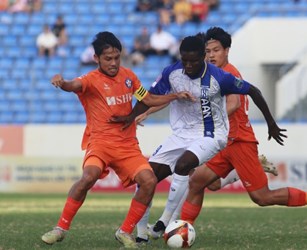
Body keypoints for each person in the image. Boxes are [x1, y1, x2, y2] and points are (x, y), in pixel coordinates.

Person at [109, 35, 287, 242]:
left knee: (183, 165)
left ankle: (163, 223)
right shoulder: (172, 73)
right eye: (185, 60)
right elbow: (149, 96)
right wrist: (131, 116)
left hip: (212, 134)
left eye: (193, 60)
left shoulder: (220, 77)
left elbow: (253, 91)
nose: (189, 65)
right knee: (146, 179)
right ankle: (141, 237)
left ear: (203, 57)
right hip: (181, 135)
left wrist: (271, 124)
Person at [40, 31, 195, 248]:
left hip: (127, 146)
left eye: (117, 58)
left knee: (149, 181)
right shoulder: (90, 80)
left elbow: (148, 98)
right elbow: (73, 85)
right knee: (88, 177)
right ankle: (60, 228)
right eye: (108, 59)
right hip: (100, 143)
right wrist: (61, 81)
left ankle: (125, 231)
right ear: (96, 59)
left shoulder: (129, 77)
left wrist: (174, 96)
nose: (113, 63)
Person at [177, 27, 307, 232]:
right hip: (225, 143)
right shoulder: (211, 73)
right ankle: (183, 230)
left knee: (262, 197)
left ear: (226, 51)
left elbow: (233, 104)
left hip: (239, 142)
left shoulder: (229, 73)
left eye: (216, 50)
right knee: (198, 182)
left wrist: (202, 118)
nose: (211, 55)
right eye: (208, 51)